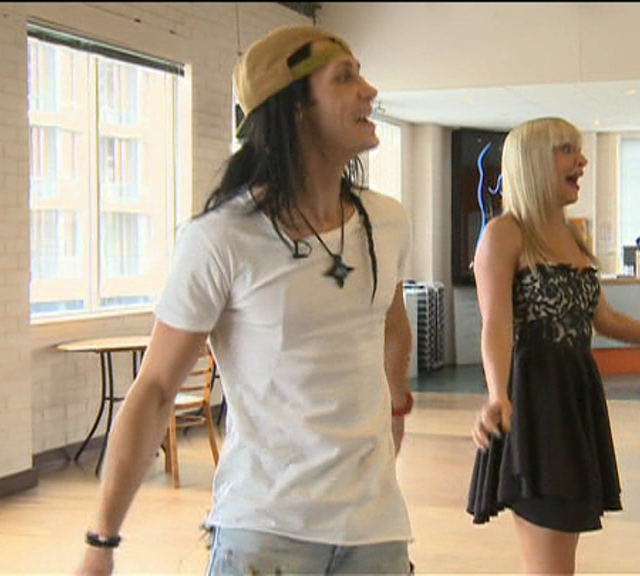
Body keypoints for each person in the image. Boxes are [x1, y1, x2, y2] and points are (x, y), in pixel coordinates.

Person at [77, 25, 415, 576]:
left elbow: (391, 324)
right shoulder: (221, 237)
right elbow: (156, 387)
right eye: (345, 78)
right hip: (265, 533)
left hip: (376, 532)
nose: (369, 91)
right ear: (296, 109)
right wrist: (102, 540)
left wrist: (395, 404)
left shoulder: (388, 221)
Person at [466, 117, 640, 575]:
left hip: (575, 398)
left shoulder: (572, 236)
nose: (582, 161)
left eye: (578, 150)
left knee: (561, 559)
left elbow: (606, 319)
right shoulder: (504, 234)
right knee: (549, 564)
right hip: (535, 403)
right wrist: (497, 394)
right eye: (566, 150)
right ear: (533, 162)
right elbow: (495, 323)